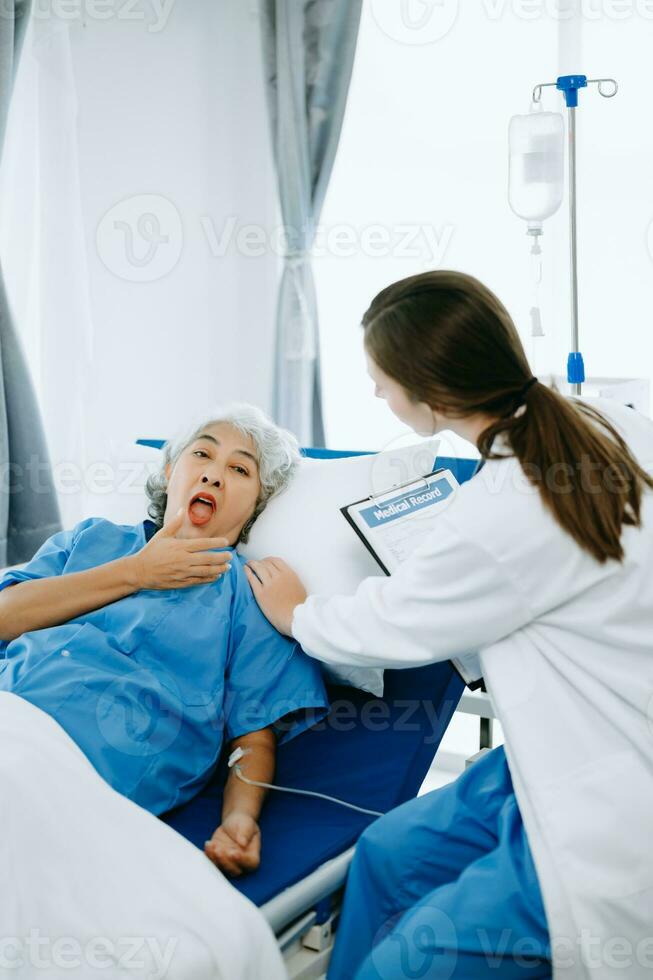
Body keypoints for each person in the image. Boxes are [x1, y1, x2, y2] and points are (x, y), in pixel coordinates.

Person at [244, 272, 653, 979]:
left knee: (400, 966)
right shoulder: (602, 421)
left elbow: (390, 624)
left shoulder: (500, 510)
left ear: (431, 396)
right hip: (564, 751)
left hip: (609, 803)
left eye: (381, 381)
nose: (376, 392)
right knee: (384, 853)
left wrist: (299, 613)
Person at [0, 403, 328, 878]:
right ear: (171, 470)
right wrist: (135, 572)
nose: (214, 476)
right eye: (202, 455)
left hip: (91, 766)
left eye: (239, 469)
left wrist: (239, 818)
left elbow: (252, 734)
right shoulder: (92, 540)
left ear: (257, 502)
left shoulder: (250, 595)